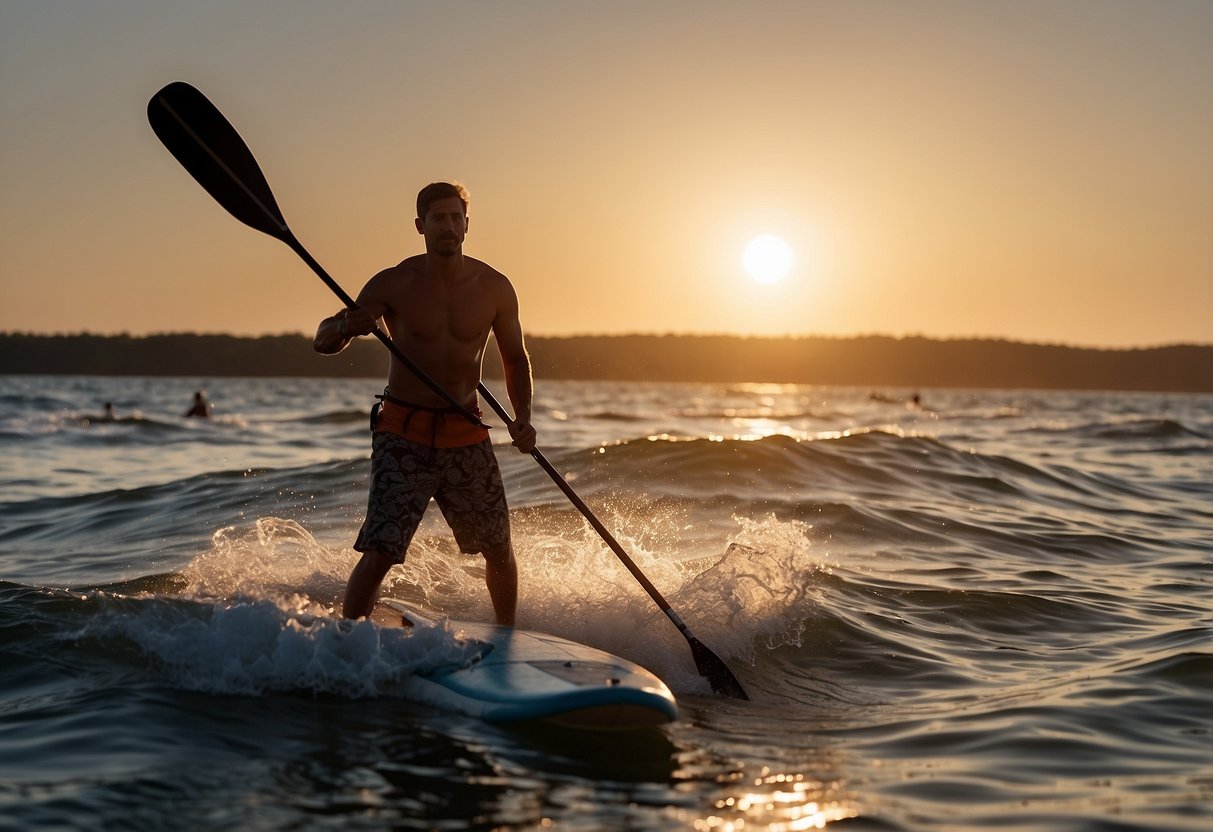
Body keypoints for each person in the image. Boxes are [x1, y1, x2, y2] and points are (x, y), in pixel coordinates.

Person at [313, 182, 535, 626]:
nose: (448, 227)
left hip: (465, 432)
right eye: (438, 219)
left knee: (498, 549)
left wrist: (523, 420)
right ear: (421, 226)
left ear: (467, 225)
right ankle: (347, 639)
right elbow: (323, 341)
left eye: (456, 218)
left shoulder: (494, 287)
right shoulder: (395, 282)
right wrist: (345, 324)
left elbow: (515, 358)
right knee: (380, 551)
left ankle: (506, 638)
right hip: (403, 434)